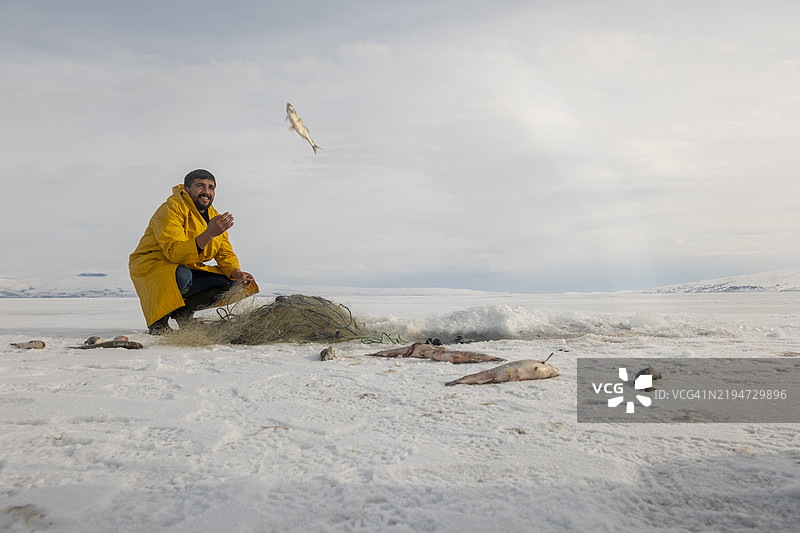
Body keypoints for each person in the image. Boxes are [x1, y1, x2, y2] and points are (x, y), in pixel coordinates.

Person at [129, 169, 258, 334]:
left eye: (211, 187)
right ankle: (158, 324)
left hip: (185, 266)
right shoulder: (171, 209)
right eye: (200, 186)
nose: (206, 192)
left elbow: (225, 253)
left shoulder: (214, 216)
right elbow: (174, 253)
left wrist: (237, 272)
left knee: (233, 283)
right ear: (187, 189)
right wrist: (209, 233)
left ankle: (183, 312)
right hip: (153, 266)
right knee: (182, 276)